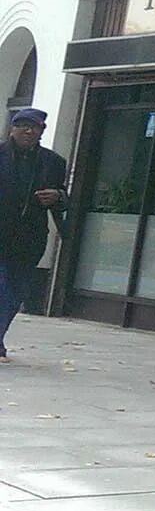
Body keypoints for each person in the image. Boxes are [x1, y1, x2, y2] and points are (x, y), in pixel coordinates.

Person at [0, 109, 68, 363]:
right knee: (2, 288)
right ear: (12, 129)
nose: (29, 131)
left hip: (30, 238)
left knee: (15, 293)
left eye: (35, 127)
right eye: (23, 126)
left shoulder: (53, 162)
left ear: (41, 131)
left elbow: (65, 197)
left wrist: (58, 197)